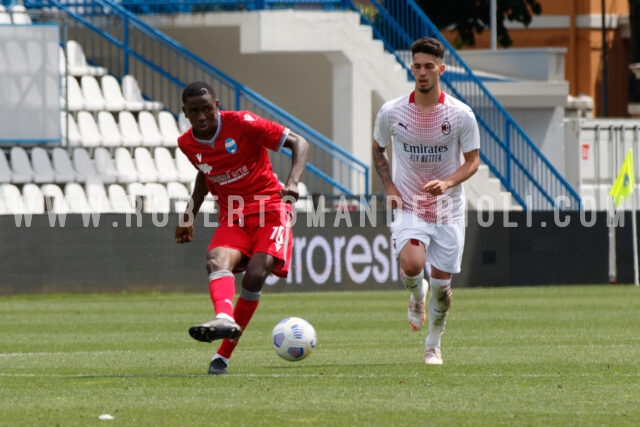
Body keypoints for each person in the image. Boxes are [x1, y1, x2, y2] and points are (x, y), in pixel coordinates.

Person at [174, 81, 309, 375]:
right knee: (215, 261)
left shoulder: (244, 123)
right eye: (194, 111)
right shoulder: (187, 144)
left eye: (207, 109)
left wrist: (293, 182)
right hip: (233, 215)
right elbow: (204, 173)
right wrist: (189, 215)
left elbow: (300, 142)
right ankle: (224, 317)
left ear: (217, 105)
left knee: (256, 274)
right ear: (184, 112)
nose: (201, 117)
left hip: (271, 208)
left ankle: (222, 355)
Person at [372, 37, 480, 365]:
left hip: (447, 208)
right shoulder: (391, 111)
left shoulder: (461, 115)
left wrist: (447, 182)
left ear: (441, 69)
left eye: (428, 66)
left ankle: (433, 344)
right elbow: (378, 147)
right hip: (409, 203)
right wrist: (389, 185)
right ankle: (416, 293)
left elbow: (472, 161)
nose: (422, 72)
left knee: (444, 293)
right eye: (417, 66)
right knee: (413, 264)